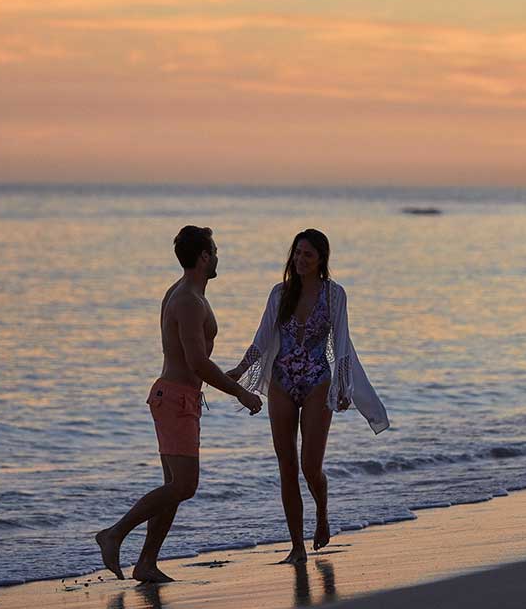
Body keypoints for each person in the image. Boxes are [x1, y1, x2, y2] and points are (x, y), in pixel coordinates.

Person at [96, 226, 263, 583]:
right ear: (204, 257)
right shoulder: (188, 299)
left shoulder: (185, 292)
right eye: (214, 250)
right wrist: (240, 393)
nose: (218, 256)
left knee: (173, 485)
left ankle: (146, 563)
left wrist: (230, 376)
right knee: (184, 485)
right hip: (175, 399)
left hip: (179, 397)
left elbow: (197, 362)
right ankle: (113, 535)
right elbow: (196, 362)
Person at [227, 229, 389, 564]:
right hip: (282, 383)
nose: (300, 260)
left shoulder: (334, 295)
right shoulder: (279, 294)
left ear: (321, 261)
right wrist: (238, 372)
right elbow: (261, 339)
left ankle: (322, 513)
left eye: (308, 255)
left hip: (317, 381)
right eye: (297, 253)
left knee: (310, 466)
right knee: (286, 466)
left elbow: (342, 343)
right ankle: (296, 547)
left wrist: (343, 388)